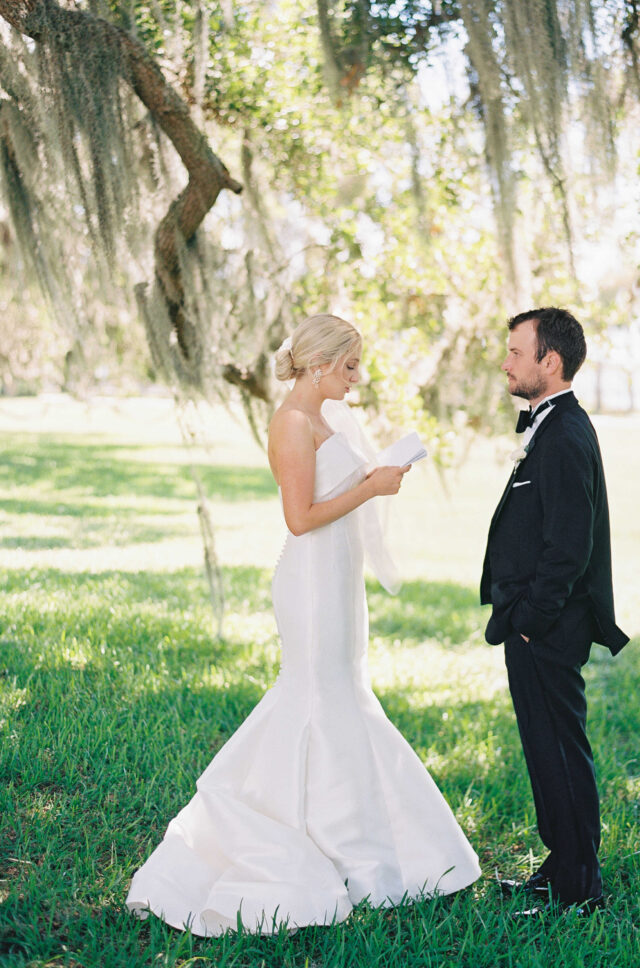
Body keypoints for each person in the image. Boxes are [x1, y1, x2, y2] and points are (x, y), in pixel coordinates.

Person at [127, 313, 480, 935]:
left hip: (339, 577)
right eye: (348, 366)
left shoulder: (328, 418)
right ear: (318, 365)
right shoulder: (291, 423)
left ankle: (364, 841)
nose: (355, 377)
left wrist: (377, 477)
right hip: (311, 579)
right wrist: (372, 487)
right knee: (318, 697)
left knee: (345, 695)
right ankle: (309, 838)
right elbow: (300, 516)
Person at [480, 307, 629, 918]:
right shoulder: (552, 423)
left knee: (561, 751)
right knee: (547, 749)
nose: (507, 362)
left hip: (547, 625)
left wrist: (530, 619)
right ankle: (561, 865)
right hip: (536, 622)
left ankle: (578, 890)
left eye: (517, 352)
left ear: (551, 361)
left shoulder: (565, 433)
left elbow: (569, 546)